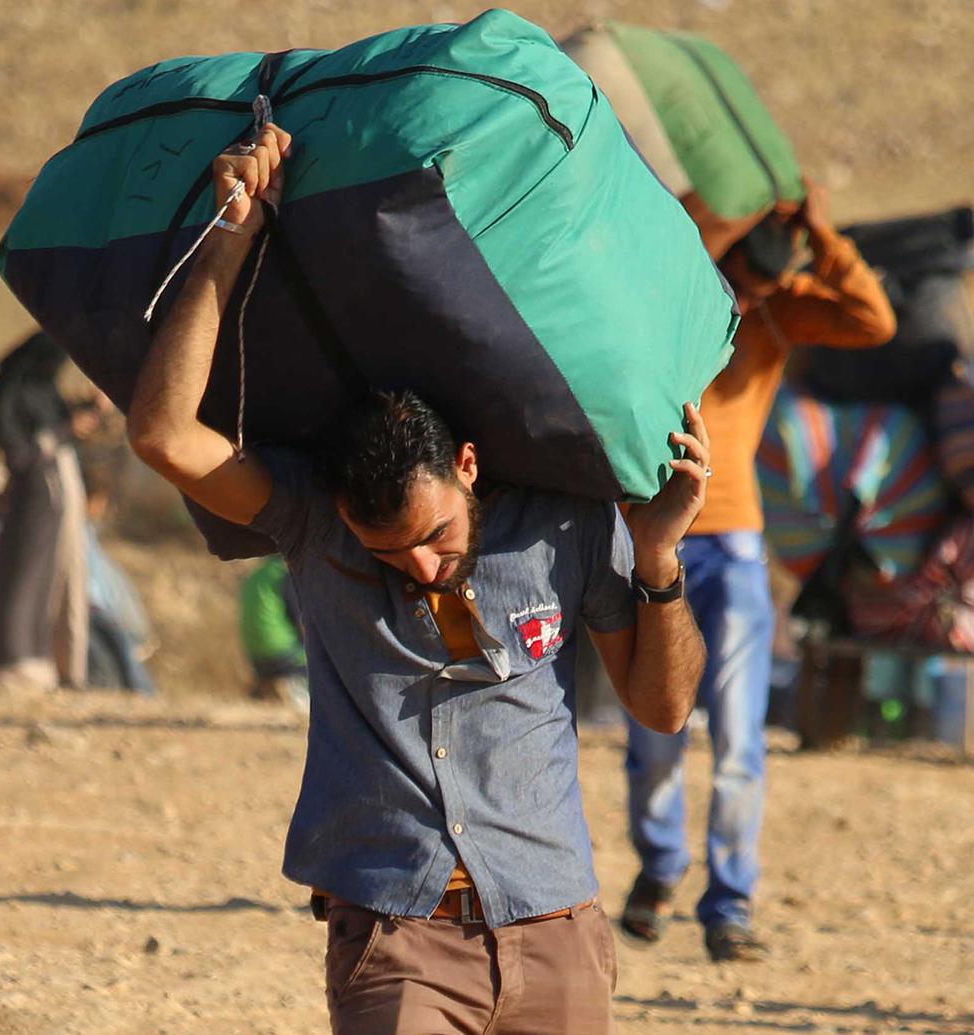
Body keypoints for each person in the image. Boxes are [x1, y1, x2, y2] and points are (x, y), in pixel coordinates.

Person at [127, 124, 711, 1033]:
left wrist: (662, 561)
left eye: (433, 537)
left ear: (469, 465)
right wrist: (230, 238)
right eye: (388, 550)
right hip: (400, 941)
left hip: (556, 932)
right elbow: (163, 434)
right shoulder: (314, 520)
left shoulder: (567, 522)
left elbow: (664, 708)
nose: (419, 567)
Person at [620, 183, 896, 962]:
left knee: (741, 739)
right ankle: (660, 865)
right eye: (735, 279)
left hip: (735, 543)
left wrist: (820, 231)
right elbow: (663, 236)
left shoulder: (775, 314)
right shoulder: (666, 299)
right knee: (656, 729)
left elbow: (875, 319)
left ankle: (729, 904)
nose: (741, 298)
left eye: (756, 287)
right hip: (649, 537)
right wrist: (730, 220)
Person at [0, 331, 103, 689]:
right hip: (39, 499)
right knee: (28, 576)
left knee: (68, 579)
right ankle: (16, 658)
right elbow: (22, 453)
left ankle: (67, 668)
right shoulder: (19, 395)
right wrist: (64, 430)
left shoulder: (45, 395)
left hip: (58, 495)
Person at [239, 556, 309, 712]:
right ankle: (294, 687)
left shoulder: (256, 574)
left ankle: (265, 686)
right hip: (284, 654)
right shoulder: (284, 575)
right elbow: (301, 619)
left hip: (254, 656)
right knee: (319, 657)